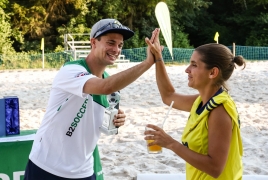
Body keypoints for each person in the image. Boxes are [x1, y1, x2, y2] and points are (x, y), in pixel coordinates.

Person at [24, 19, 161, 180]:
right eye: (110, 42)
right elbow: (104, 87)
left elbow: (105, 127)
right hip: (47, 167)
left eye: (120, 45)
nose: (116, 49)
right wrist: (147, 63)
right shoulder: (71, 70)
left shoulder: (112, 86)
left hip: (84, 170)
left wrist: (116, 120)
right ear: (93, 42)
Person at [144, 29, 245, 180]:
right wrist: (158, 57)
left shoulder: (220, 110)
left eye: (194, 65)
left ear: (213, 73)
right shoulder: (202, 101)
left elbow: (215, 168)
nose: (187, 70)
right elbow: (168, 96)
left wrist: (171, 143)